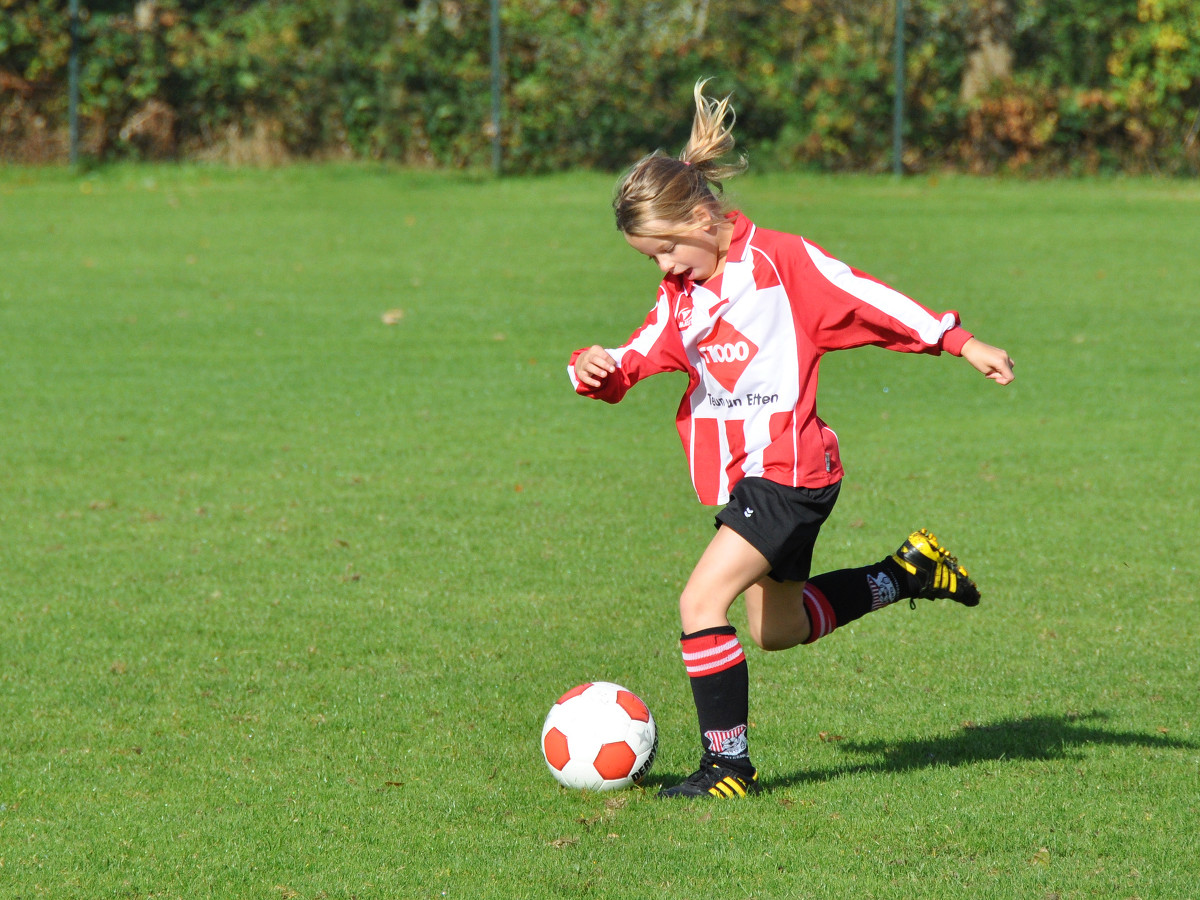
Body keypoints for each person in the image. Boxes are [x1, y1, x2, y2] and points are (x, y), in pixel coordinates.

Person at [568, 80, 1015, 799]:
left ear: (703, 216)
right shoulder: (681, 298)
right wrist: (595, 368)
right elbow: (638, 353)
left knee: (699, 604)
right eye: (651, 258)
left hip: (790, 472)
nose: (665, 267)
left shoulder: (780, 263)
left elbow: (867, 297)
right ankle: (907, 573)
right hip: (750, 480)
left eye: (668, 249)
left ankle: (727, 769)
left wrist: (957, 340)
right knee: (778, 629)